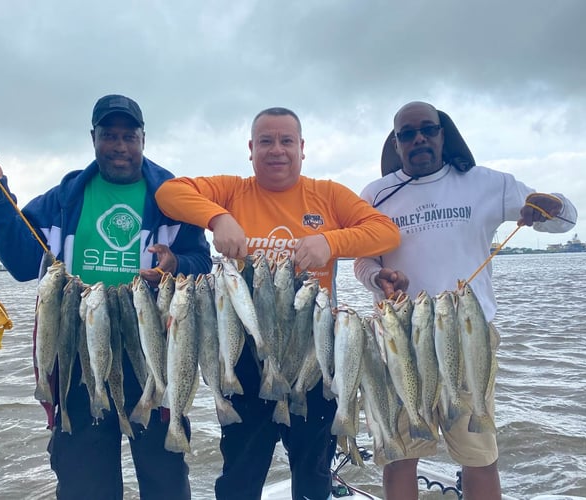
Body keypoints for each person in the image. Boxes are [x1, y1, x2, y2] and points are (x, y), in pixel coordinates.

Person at [0, 94, 212, 500]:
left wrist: (176, 264)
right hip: (76, 349)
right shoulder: (66, 198)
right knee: (84, 479)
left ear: (144, 139)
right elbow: (20, 259)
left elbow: (201, 260)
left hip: (151, 350)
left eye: (129, 136)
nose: (120, 146)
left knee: (165, 475)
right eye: (109, 136)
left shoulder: (171, 198)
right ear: (93, 138)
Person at [154, 107, 401, 500]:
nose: (277, 150)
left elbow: (387, 234)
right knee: (241, 469)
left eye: (287, 141)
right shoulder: (233, 190)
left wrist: (330, 242)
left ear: (302, 149)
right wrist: (218, 218)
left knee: (313, 467)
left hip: (313, 352)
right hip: (244, 354)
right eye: (266, 141)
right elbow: (169, 193)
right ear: (251, 150)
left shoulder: (328, 195)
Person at [354, 101, 578, 500]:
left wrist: (552, 206)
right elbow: (363, 260)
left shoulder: (486, 183)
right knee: (400, 455)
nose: (419, 138)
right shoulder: (375, 194)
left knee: (478, 454)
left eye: (428, 129)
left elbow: (563, 219)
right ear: (396, 142)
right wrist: (377, 277)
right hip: (398, 337)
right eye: (407, 133)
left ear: (444, 134)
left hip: (469, 333)